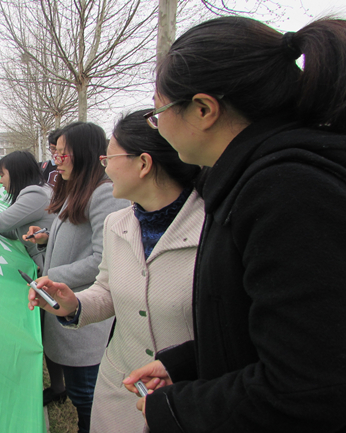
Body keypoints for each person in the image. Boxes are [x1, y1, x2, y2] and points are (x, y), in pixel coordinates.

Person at [120, 16, 346, 433]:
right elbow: (268, 330)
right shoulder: (249, 183)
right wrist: (186, 364)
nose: (157, 126)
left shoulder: (287, 191)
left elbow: (306, 388)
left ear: (203, 109)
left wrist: (176, 409)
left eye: (157, 112)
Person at [28, 110, 203, 432]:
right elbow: (108, 286)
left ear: (144, 164)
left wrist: (57, 272)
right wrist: (75, 304)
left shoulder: (213, 229)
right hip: (120, 385)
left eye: (109, 157)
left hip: (187, 396)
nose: (105, 166)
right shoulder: (117, 222)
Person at [23, 122, 129, 433]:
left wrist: (51, 275)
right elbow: (77, 238)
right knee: (78, 388)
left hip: (85, 314)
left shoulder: (104, 193)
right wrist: (46, 237)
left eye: (62, 154)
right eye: (54, 153)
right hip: (64, 305)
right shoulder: (76, 189)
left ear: (82, 153)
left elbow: (103, 259)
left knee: (86, 394)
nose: (56, 161)